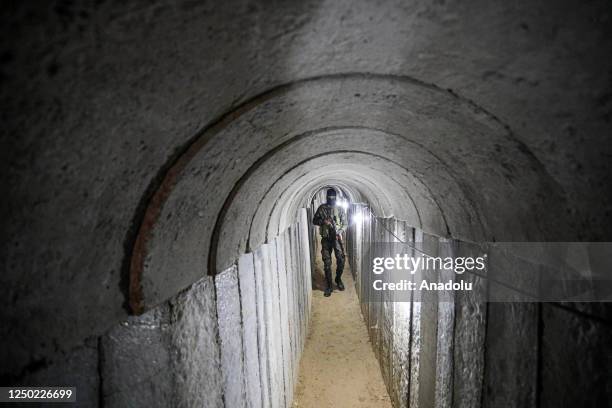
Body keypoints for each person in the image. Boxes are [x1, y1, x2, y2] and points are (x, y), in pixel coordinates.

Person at [312, 188, 347, 297]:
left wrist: (339, 231)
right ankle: (329, 285)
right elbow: (314, 220)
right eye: (329, 198)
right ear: (327, 197)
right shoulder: (321, 208)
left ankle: (338, 279)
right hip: (326, 239)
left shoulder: (340, 209)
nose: (331, 199)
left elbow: (345, 223)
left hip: (336, 238)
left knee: (341, 259)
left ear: (335, 198)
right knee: (327, 263)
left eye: (333, 198)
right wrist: (323, 221)